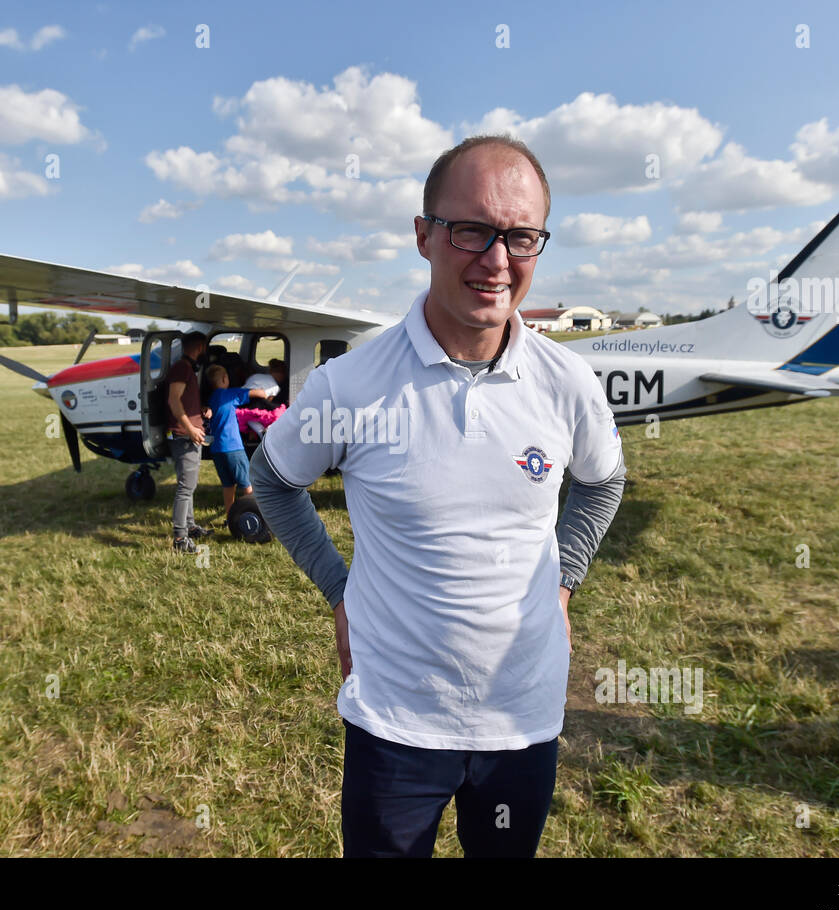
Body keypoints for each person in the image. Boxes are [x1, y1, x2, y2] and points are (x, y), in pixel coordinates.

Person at [250, 134, 627, 857]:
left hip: (523, 717)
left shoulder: (567, 382)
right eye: (471, 231)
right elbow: (273, 477)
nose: (496, 262)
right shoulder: (351, 385)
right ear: (423, 236)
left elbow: (603, 479)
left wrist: (567, 582)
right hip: (395, 723)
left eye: (521, 237)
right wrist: (340, 591)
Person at [165, 331, 214, 554]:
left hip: (191, 432)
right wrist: (190, 428)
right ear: (201, 347)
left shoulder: (186, 368)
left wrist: (200, 411)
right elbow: (173, 401)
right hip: (185, 436)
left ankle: (191, 526)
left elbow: (183, 400)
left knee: (189, 485)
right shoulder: (182, 368)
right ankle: (180, 538)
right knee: (185, 487)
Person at [204, 364, 273, 516]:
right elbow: (259, 393)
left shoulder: (212, 398)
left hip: (216, 450)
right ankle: (257, 514)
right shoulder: (231, 394)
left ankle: (230, 516)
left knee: (228, 485)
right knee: (247, 484)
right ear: (224, 378)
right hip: (233, 448)